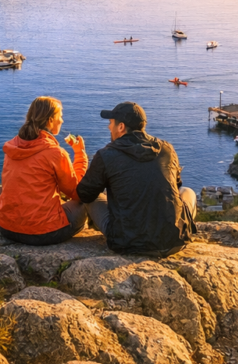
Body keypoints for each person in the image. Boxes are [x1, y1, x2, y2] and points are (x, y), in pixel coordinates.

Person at [76, 101, 197, 257]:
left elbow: (84, 194)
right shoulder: (167, 149)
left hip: (127, 243)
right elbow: (176, 186)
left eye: (111, 123)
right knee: (187, 192)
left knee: (93, 198)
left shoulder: (106, 154)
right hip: (174, 242)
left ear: (121, 127)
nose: (108, 127)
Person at [0, 96, 89, 245]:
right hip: (42, 232)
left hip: (6, 227)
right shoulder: (55, 152)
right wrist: (80, 153)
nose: (62, 120)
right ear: (50, 120)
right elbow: (77, 192)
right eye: (60, 116)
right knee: (86, 201)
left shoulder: (12, 146)